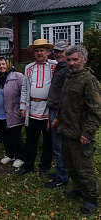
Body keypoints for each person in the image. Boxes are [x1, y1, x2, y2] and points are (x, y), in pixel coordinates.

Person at [57, 45, 101, 215]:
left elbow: (95, 110)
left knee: (84, 169)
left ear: (84, 60)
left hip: (80, 135)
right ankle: (78, 190)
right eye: (69, 60)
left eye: (75, 59)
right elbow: (65, 103)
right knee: (70, 166)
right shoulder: (70, 77)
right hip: (66, 130)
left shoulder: (89, 81)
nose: (72, 63)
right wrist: (57, 118)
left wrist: (88, 133)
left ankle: (91, 199)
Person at [16, 39, 57, 176]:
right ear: (34, 53)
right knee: (30, 140)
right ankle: (28, 165)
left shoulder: (54, 66)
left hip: (48, 110)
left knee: (48, 140)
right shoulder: (29, 68)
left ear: (47, 52)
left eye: (42, 50)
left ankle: (45, 165)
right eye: (37, 50)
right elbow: (25, 88)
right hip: (32, 109)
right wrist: (23, 106)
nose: (39, 53)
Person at [44, 41, 69, 188]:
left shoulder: (67, 70)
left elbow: (66, 96)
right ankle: (60, 171)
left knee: (59, 146)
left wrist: (59, 116)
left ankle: (62, 178)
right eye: (56, 52)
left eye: (62, 52)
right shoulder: (59, 67)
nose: (58, 54)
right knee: (56, 144)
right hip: (53, 109)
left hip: (60, 111)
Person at [0, 57, 24, 168]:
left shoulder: (17, 76)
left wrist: (22, 107)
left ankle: (20, 157)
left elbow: (24, 92)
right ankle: (9, 154)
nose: (1, 66)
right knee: (5, 136)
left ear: (8, 65)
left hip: (12, 112)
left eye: (3, 64)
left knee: (15, 135)